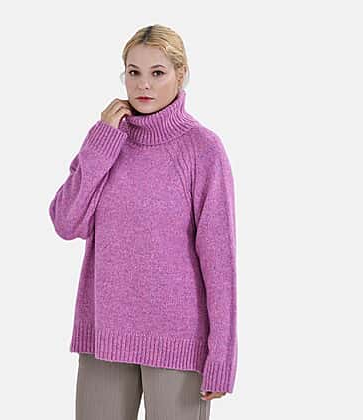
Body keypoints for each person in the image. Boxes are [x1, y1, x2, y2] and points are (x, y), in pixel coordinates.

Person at [49, 24, 238, 420]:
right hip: (105, 336)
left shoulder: (203, 150)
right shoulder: (106, 141)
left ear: (181, 75)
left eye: (157, 72)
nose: (143, 84)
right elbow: (66, 222)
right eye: (133, 72)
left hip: (178, 343)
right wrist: (102, 141)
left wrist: (222, 354)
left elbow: (219, 262)